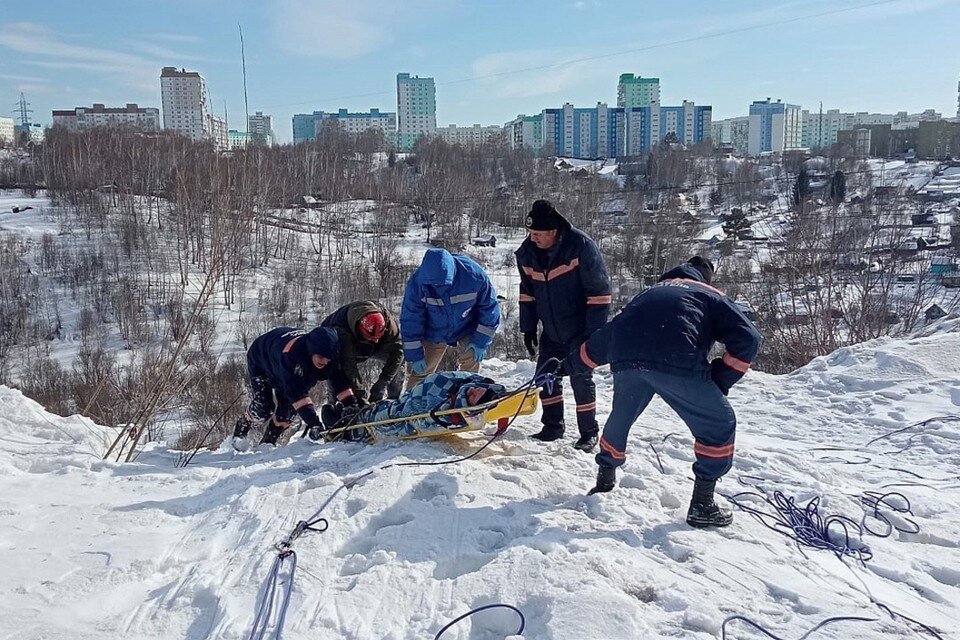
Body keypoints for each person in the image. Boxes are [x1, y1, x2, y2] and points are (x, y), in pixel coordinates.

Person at [566, 257, 761, 528]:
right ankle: (702, 505)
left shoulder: (650, 292)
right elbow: (749, 337)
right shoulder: (710, 294)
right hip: (676, 357)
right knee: (719, 424)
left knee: (621, 416)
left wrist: (572, 364)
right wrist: (721, 378)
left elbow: (610, 333)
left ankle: (604, 480)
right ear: (704, 278)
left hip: (628, 358)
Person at [516, 199, 611, 452]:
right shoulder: (527, 254)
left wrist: (592, 336)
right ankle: (552, 426)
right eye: (530, 233)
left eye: (537, 234)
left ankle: (588, 432)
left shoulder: (580, 247)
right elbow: (527, 293)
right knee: (546, 377)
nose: (532, 238)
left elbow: (600, 295)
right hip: (551, 330)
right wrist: (528, 327)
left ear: (553, 231)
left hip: (580, 328)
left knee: (581, 378)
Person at [232, 326, 356, 448]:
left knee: (287, 412)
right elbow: (297, 394)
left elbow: (339, 381)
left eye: (328, 359)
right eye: (321, 357)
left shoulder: (329, 358)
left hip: (283, 363)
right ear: (312, 350)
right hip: (262, 359)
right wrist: (314, 423)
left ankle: (267, 444)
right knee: (264, 407)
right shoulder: (292, 356)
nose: (324, 362)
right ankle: (241, 430)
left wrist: (350, 404)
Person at [400, 248, 501, 389]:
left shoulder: (474, 276)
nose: (437, 288)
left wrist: (480, 341)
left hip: (467, 326)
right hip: (434, 330)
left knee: (471, 361)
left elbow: (490, 308)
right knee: (422, 370)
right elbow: (411, 320)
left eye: (441, 284)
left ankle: (467, 396)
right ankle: (410, 404)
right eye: (433, 285)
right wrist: (415, 355)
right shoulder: (417, 283)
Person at [310, 371, 506, 443]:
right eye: (476, 390)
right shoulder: (473, 383)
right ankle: (354, 415)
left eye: (473, 397)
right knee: (385, 409)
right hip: (413, 397)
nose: (473, 392)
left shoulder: (450, 411)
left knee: (384, 418)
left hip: (400, 412)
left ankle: (344, 430)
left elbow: (412, 415)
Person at [321, 300, 404, 404]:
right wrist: (360, 396)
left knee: (398, 366)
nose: (376, 340)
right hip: (340, 350)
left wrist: (382, 382)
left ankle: (393, 403)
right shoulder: (341, 333)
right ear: (359, 329)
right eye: (371, 337)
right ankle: (337, 409)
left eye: (378, 337)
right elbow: (349, 366)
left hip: (372, 347)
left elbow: (398, 353)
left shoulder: (389, 324)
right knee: (339, 383)